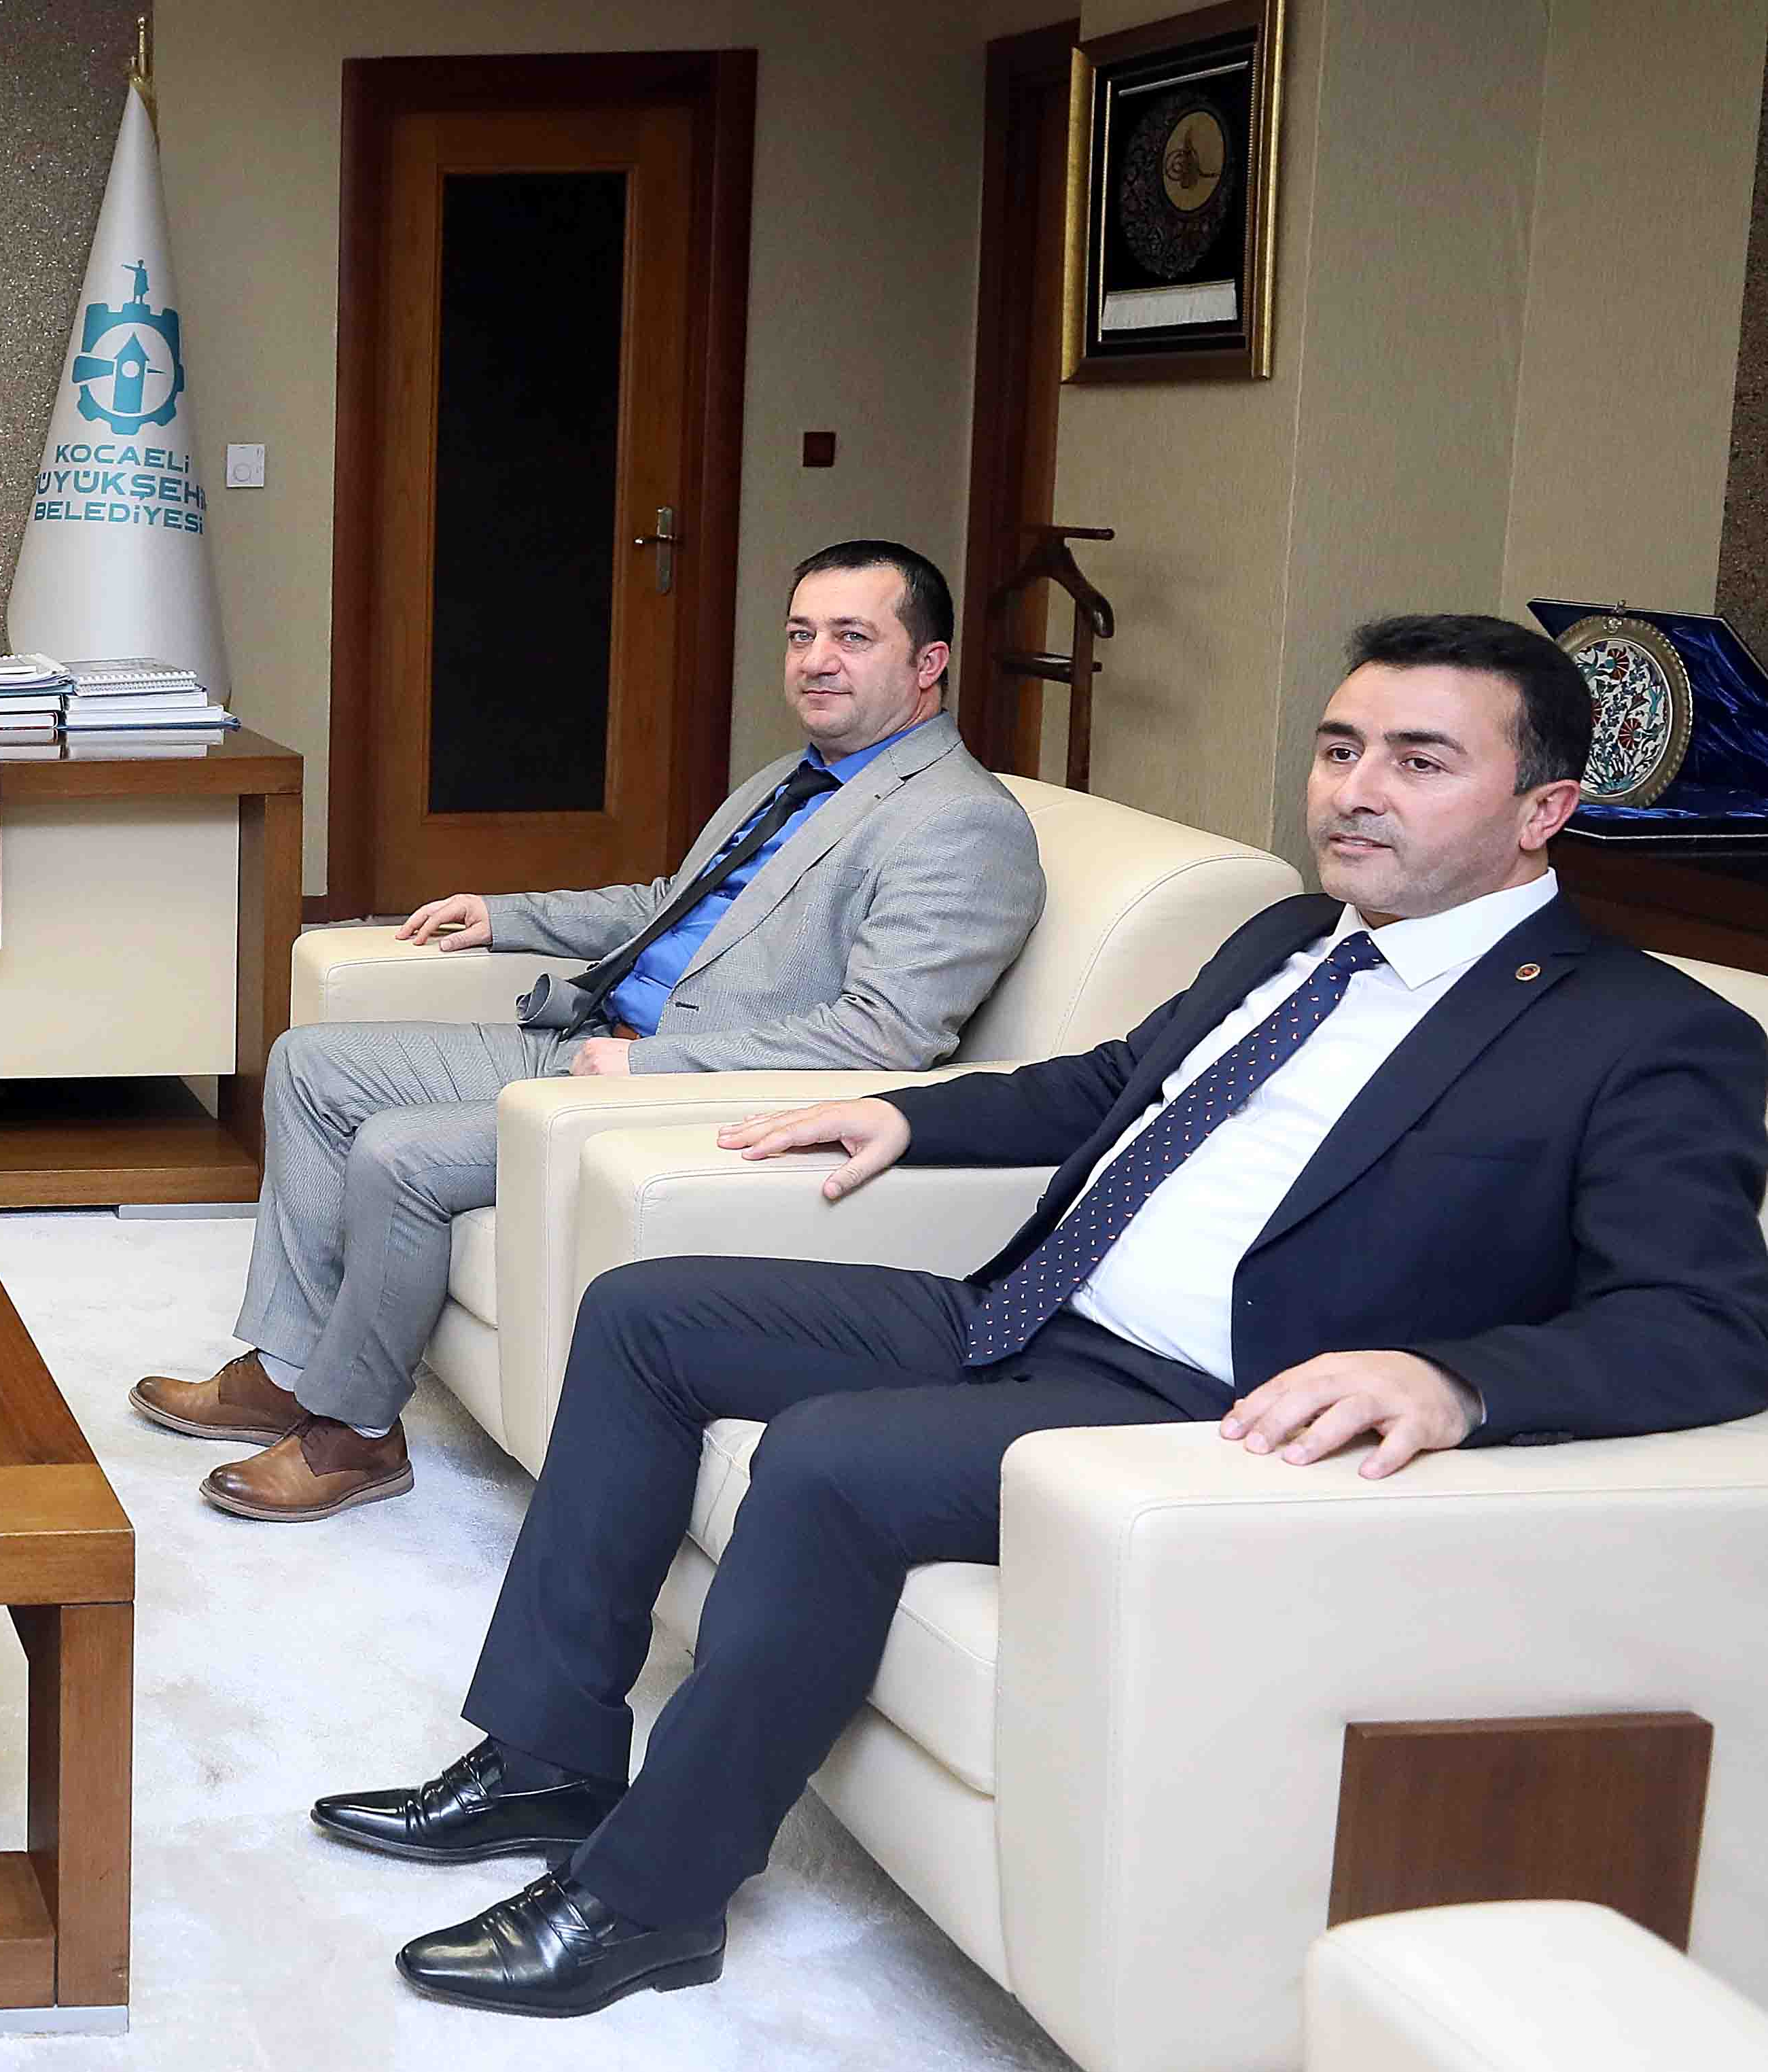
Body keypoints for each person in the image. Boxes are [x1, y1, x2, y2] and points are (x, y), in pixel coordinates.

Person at [321, 612, 1768, 2019]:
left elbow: (1706, 1324)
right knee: (646, 1311)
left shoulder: (1642, 1034)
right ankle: (545, 1760)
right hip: (1023, 1310)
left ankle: (649, 1901)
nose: (1353, 789)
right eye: (1338, 748)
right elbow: (1114, 1081)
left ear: (1542, 809)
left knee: (830, 1459)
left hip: (1196, 1404)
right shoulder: (1288, 932)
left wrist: (1452, 1382)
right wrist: (904, 1113)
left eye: (1418, 759)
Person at [135, 539, 1044, 1523]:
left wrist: (654, 1062)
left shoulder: (959, 823)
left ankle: (354, 1433)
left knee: (398, 1150)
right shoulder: (792, 777)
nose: (815, 660)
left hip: (684, 1088)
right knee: (311, 1063)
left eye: (851, 637)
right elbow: (668, 905)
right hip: (594, 1040)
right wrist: (505, 914)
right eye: (799, 635)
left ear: (927, 662)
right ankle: (288, 1366)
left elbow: (884, 1037)